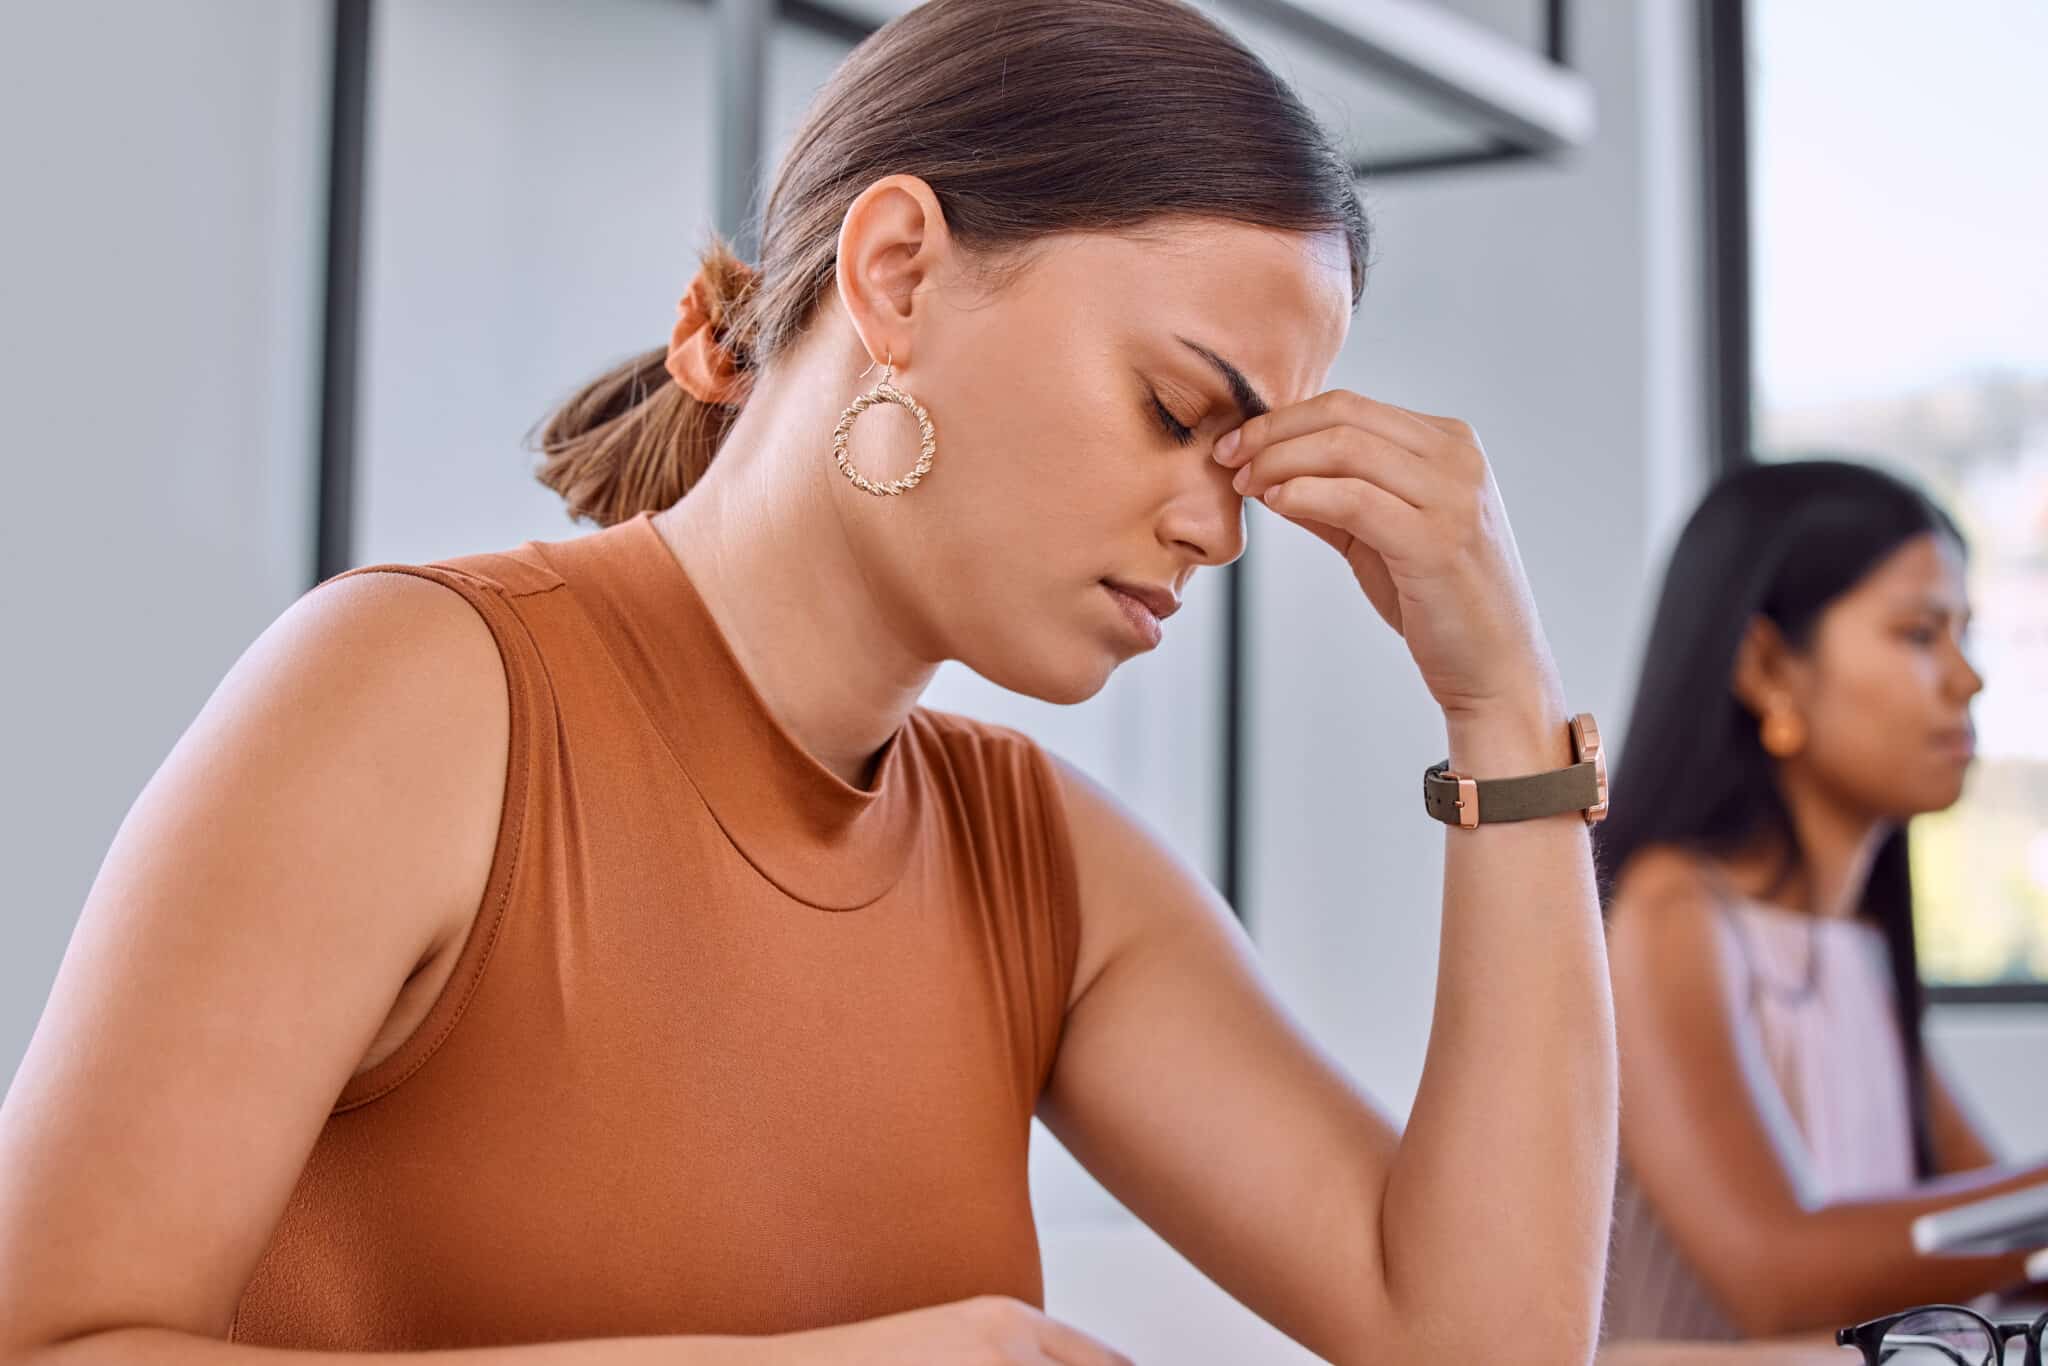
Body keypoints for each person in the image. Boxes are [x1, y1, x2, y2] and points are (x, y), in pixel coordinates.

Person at [0, 1, 1618, 1361]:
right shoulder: (415, 698)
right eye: (1171, 409)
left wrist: (1502, 712)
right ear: (899, 271)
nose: (1216, 526)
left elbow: (1482, 1337)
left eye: (1250, 461)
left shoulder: (1043, 869)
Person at [1599, 458, 2048, 1343]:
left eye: (1967, 636)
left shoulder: (1855, 940)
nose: (1969, 680)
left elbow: (2002, 1238)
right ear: (1767, 665)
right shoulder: (1672, 911)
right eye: (1921, 635)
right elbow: (1777, 1279)